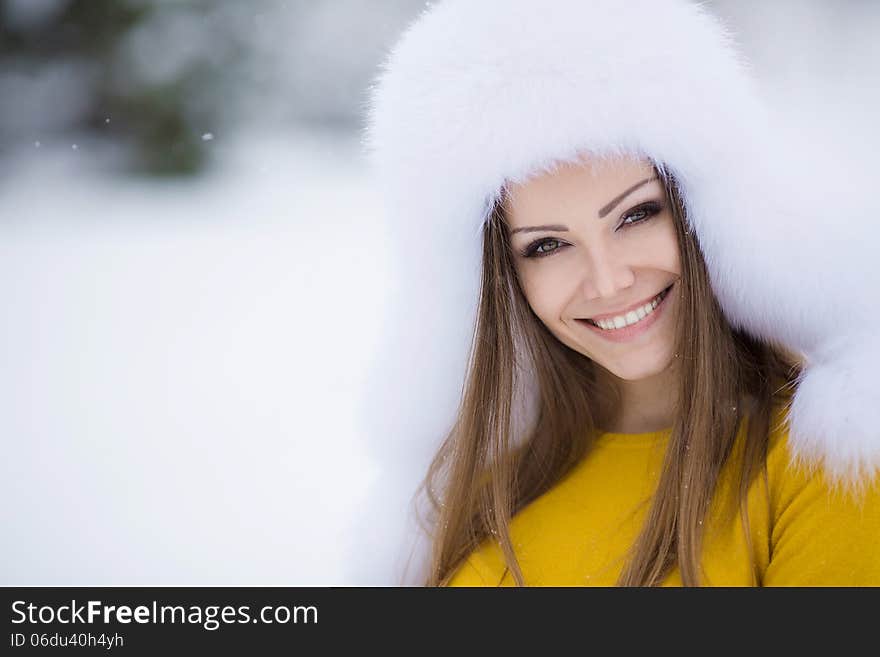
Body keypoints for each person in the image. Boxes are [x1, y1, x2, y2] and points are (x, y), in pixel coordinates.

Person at [363, 0, 880, 586]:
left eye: (637, 214)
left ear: (711, 212)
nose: (608, 281)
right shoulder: (471, 496)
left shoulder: (831, 459)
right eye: (547, 246)